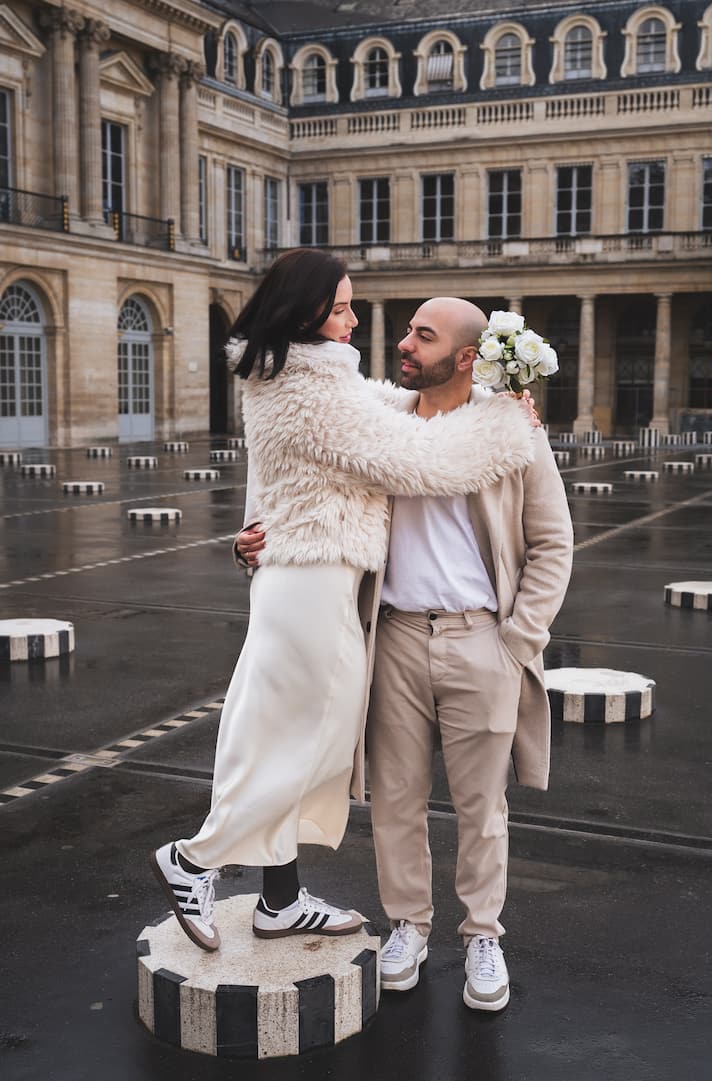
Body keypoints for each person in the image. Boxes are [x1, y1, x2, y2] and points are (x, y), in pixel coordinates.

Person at [151, 251, 536, 952]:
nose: (355, 319)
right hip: (314, 582)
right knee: (309, 743)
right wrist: (510, 423)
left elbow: (377, 408)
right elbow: (423, 460)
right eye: (340, 308)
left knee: (289, 738)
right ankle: (195, 858)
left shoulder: (298, 375)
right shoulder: (310, 390)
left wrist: (487, 402)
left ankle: (279, 900)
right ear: (305, 315)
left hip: (309, 578)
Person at [237, 294, 573, 1011]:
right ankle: (408, 927)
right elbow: (302, 491)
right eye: (408, 331)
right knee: (394, 801)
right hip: (392, 636)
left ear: (464, 357)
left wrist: (518, 641)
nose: (404, 345)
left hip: (481, 639)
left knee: (482, 807)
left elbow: (553, 543)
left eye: (424, 336)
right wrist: (252, 541)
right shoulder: (378, 424)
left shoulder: (510, 430)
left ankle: (482, 935)